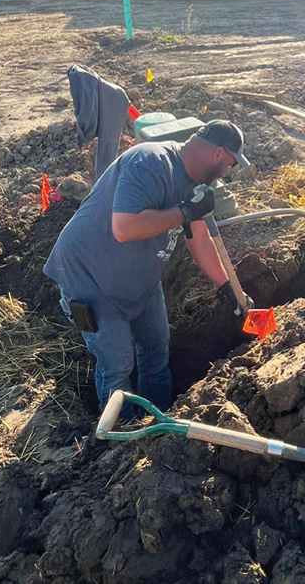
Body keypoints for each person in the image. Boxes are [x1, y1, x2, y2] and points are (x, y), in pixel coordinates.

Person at [44, 120, 254, 418]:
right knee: (117, 364)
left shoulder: (196, 185)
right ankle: (122, 442)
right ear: (218, 154)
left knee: (156, 350)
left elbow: (200, 241)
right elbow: (124, 227)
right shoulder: (151, 163)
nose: (225, 174)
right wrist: (183, 212)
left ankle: (160, 422)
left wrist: (230, 290)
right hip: (89, 276)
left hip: (138, 276)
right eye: (229, 165)